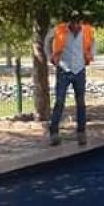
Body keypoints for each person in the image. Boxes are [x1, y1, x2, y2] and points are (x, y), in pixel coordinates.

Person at [44, 16, 95, 146]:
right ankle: (54, 133)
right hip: (63, 69)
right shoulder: (59, 30)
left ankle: (81, 133)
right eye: (74, 23)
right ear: (70, 23)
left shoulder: (87, 30)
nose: (76, 26)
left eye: (79, 23)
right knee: (59, 102)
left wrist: (91, 55)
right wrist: (50, 57)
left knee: (81, 102)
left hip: (79, 70)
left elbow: (94, 42)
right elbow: (47, 41)